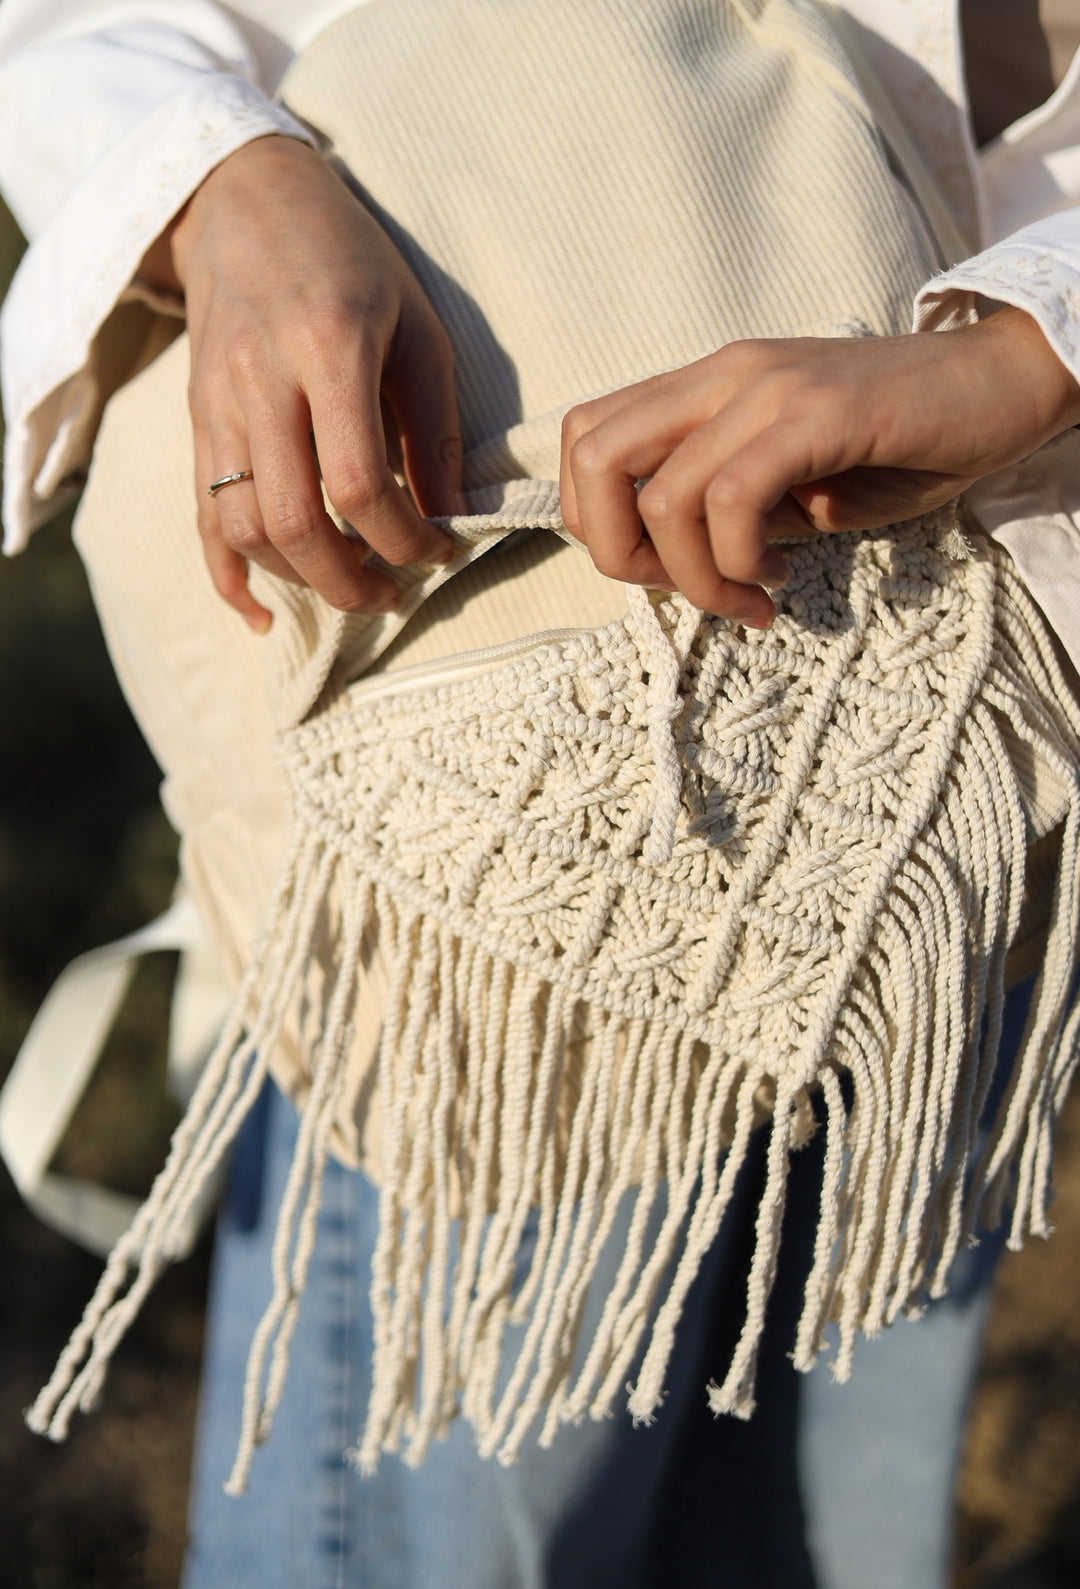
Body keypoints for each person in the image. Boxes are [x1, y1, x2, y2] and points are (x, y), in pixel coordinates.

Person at [2, 3, 1080, 1587]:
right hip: (504, 863)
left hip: (960, 765)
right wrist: (221, 183)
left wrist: (1036, 344)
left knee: (830, 1530)